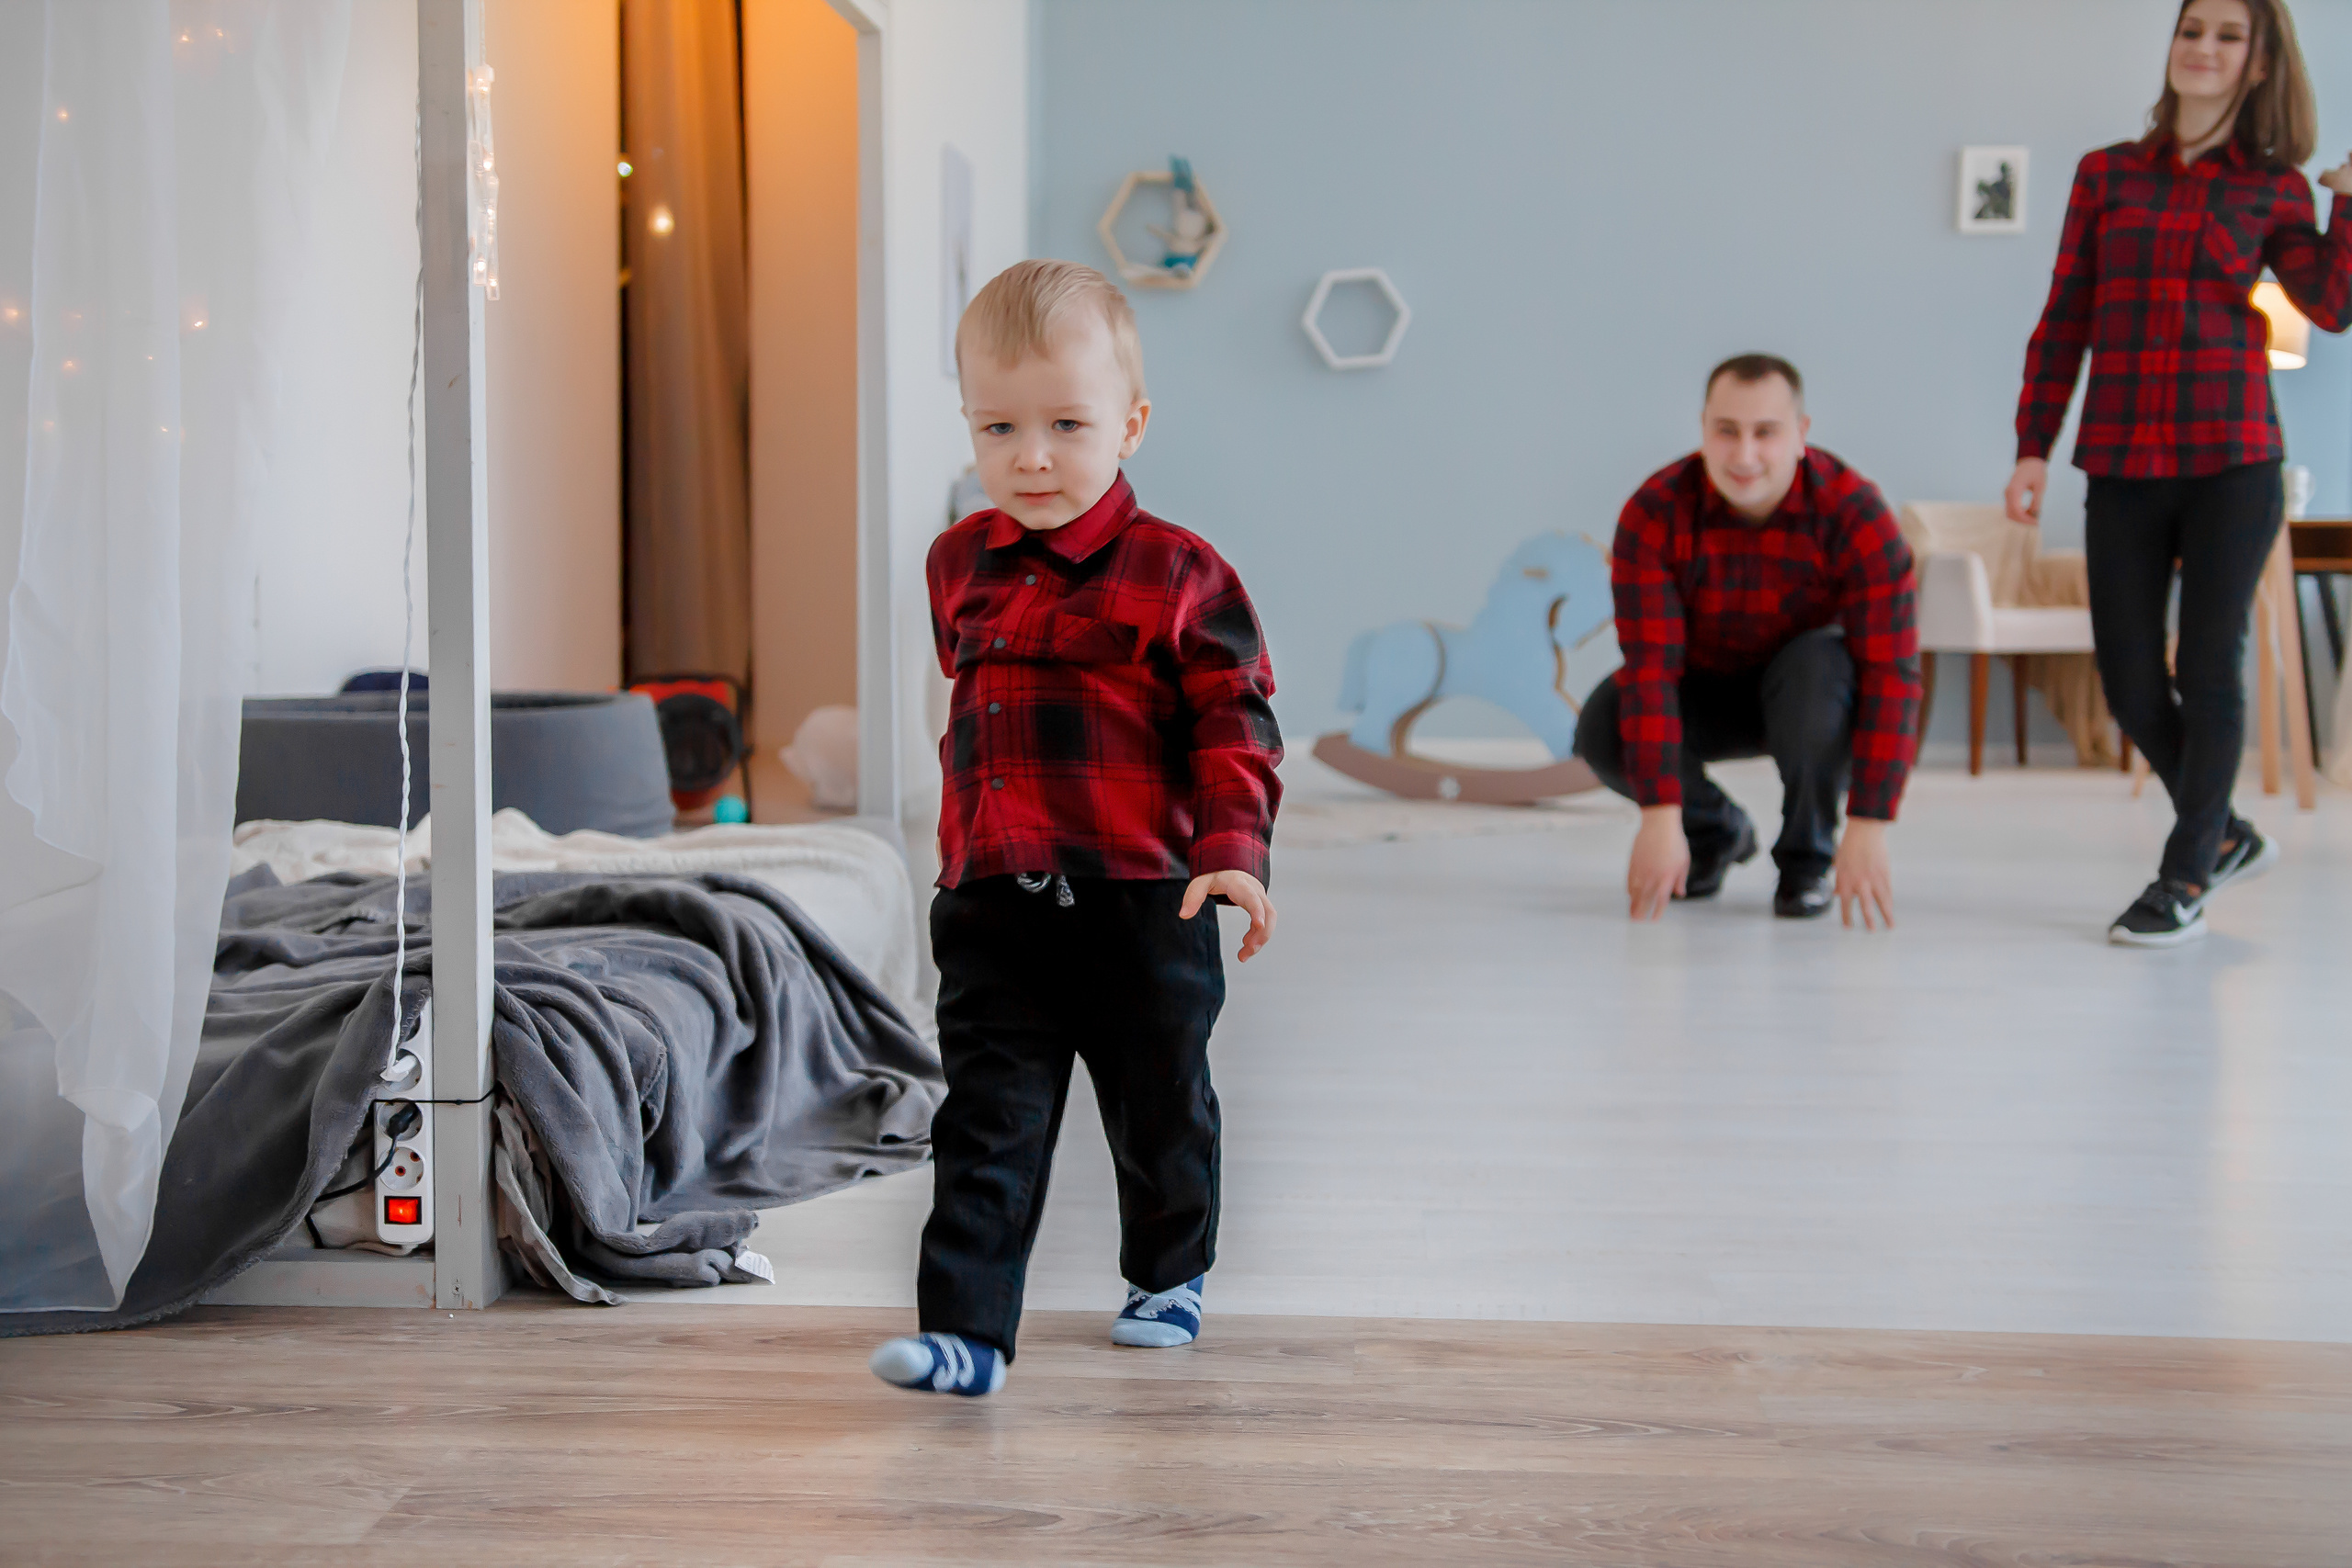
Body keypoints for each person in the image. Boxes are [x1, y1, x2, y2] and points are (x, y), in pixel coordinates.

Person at [869, 260, 1283, 1396]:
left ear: (1131, 425)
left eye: (1065, 424)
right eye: (998, 426)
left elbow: (1235, 727)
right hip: (994, 898)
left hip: (1145, 899)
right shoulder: (957, 565)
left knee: (1159, 1108)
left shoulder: (1182, 575)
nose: (1031, 456)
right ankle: (964, 1335)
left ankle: (1167, 1271)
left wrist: (1233, 858)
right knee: (986, 1123)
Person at [2005, 0, 2351, 947]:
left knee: (2209, 665)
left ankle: (2185, 873)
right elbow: (2064, 315)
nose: (2202, 47)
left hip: (2233, 458)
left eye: (2227, 35)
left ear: (2259, 64)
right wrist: (2032, 444)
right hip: (2120, 456)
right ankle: (2226, 831)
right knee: (2125, 679)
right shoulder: (2105, 174)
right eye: (2191, 28)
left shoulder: (2274, 190)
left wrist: (2349, 204)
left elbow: (2329, 305)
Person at [1574, 355, 1919, 929]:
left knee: (1818, 665)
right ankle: (1713, 833)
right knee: (1604, 724)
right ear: (1703, 428)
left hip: (1812, 698)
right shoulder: (1654, 513)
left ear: (1801, 435)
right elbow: (1651, 669)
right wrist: (1659, 819)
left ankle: (1808, 857)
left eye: (1766, 432)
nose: (1744, 456)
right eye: (1727, 431)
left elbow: (1892, 674)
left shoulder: (1856, 515)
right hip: (1705, 689)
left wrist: (1868, 825)